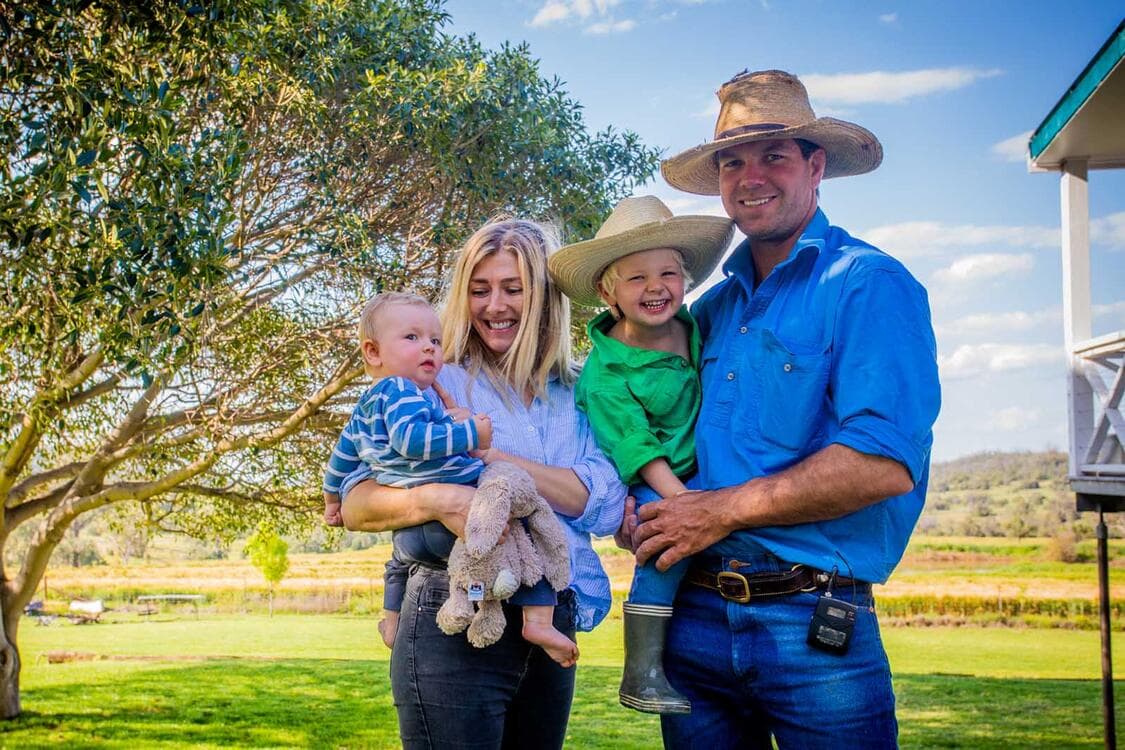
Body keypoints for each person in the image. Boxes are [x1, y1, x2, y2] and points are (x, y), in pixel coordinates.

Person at [627, 69, 941, 748]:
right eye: (731, 162)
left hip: (812, 622)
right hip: (691, 614)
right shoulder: (709, 310)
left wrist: (716, 511)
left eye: (773, 155)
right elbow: (665, 434)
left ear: (815, 165)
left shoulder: (866, 284)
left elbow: (883, 463)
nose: (750, 177)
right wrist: (640, 510)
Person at [340, 218, 627, 750]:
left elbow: (605, 508)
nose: (495, 306)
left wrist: (496, 459)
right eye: (480, 290)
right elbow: (355, 503)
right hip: (456, 611)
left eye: (513, 289)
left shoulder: (584, 390)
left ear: (545, 297)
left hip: (552, 610)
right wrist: (440, 498)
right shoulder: (433, 378)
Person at [321, 291, 577, 665]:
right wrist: (472, 434)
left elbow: (342, 458)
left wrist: (332, 497)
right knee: (525, 533)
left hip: (413, 526)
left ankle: (392, 620)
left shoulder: (369, 403)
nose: (429, 347)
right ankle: (536, 620)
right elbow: (412, 441)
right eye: (412, 338)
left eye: (435, 340)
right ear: (373, 353)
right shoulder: (403, 391)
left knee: (400, 561)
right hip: (448, 504)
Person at [548, 195, 733, 714]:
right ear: (609, 292)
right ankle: (642, 671)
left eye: (668, 273)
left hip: (703, 469)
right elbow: (636, 446)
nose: (655, 287)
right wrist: (682, 503)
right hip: (653, 475)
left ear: (685, 278)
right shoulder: (606, 374)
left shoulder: (695, 327)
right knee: (665, 542)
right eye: (637, 278)